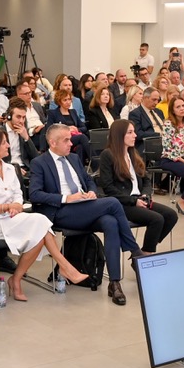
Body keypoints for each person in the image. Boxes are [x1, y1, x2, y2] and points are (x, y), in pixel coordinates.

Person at [29, 124, 143, 306]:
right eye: (66, 140)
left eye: (70, 139)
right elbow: (34, 194)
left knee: (110, 222)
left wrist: (91, 192)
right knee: (113, 203)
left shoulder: (73, 158)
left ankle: (114, 283)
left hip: (85, 207)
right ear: (52, 142)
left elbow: (89, 180)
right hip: (62, 211)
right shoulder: (39, 162)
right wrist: (66, 198)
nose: (71, 144)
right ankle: (135, 251)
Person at [0, 129, 88, 301]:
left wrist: (17, 205)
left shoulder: (9, 168)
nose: (8, 145)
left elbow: (18, 194)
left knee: (40, 229)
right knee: (40, 226)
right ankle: (63, 267)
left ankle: (18, 279)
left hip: (13, 217)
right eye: (4, 143)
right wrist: (7, 207)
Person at [97, 120, 178, 252]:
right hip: (123, 203)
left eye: (134, 132)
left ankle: (145, 250)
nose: (135, 135)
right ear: (119, 135)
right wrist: (134, 201)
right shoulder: (108, 155)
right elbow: (108, 187)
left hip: (139, 199)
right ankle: (146, 254)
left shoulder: (133, 154)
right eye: (130, 132)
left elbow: (146, 179)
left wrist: (146, 194)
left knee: (171, 215)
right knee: (157, 219)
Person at [48, 90, 94, 165]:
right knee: (82, 137)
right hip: (62, 139)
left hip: (75, 138)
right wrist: (67, 129)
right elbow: (50, 129)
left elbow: (84, 127)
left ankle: (79, 168)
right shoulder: (53, 113)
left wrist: (76, 129)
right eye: (65, 100)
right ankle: (95, 162)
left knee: (80, 147)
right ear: (59, 101)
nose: (68, 102)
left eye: (69, 99)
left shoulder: (73, 112)